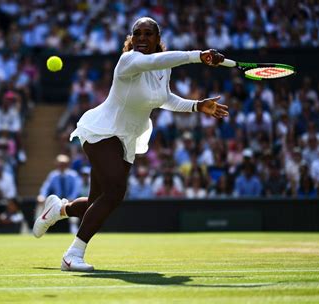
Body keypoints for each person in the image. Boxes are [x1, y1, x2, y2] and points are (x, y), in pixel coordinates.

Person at [33, 17, 228, 272]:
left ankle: (59, 209)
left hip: (127, 138)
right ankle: (73, 255)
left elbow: (164, 98)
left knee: (96, 200)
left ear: (158, 39)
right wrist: (198, 56)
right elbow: (160, 60)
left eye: (149, 34)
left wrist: (196, 105)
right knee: (115, 193)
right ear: (131, 39)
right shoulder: (129, 60)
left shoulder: (162, 69)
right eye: (138, 34)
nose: (143, 39)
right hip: (103, 132)